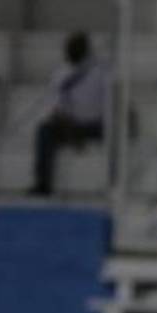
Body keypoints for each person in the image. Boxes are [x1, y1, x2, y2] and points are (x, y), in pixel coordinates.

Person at [30, 32, 107, 196]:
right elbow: (56, 110)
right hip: (70, 125)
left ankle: (113, 183)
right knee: (44, 130)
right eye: (71, 48)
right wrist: (71, 131)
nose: (72, 51)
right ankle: (43, 183)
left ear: (85, 50)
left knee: (118, 130)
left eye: (76, 48)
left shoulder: (100, 72)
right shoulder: (61, 75)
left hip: (96, 126)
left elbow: (111, 104)